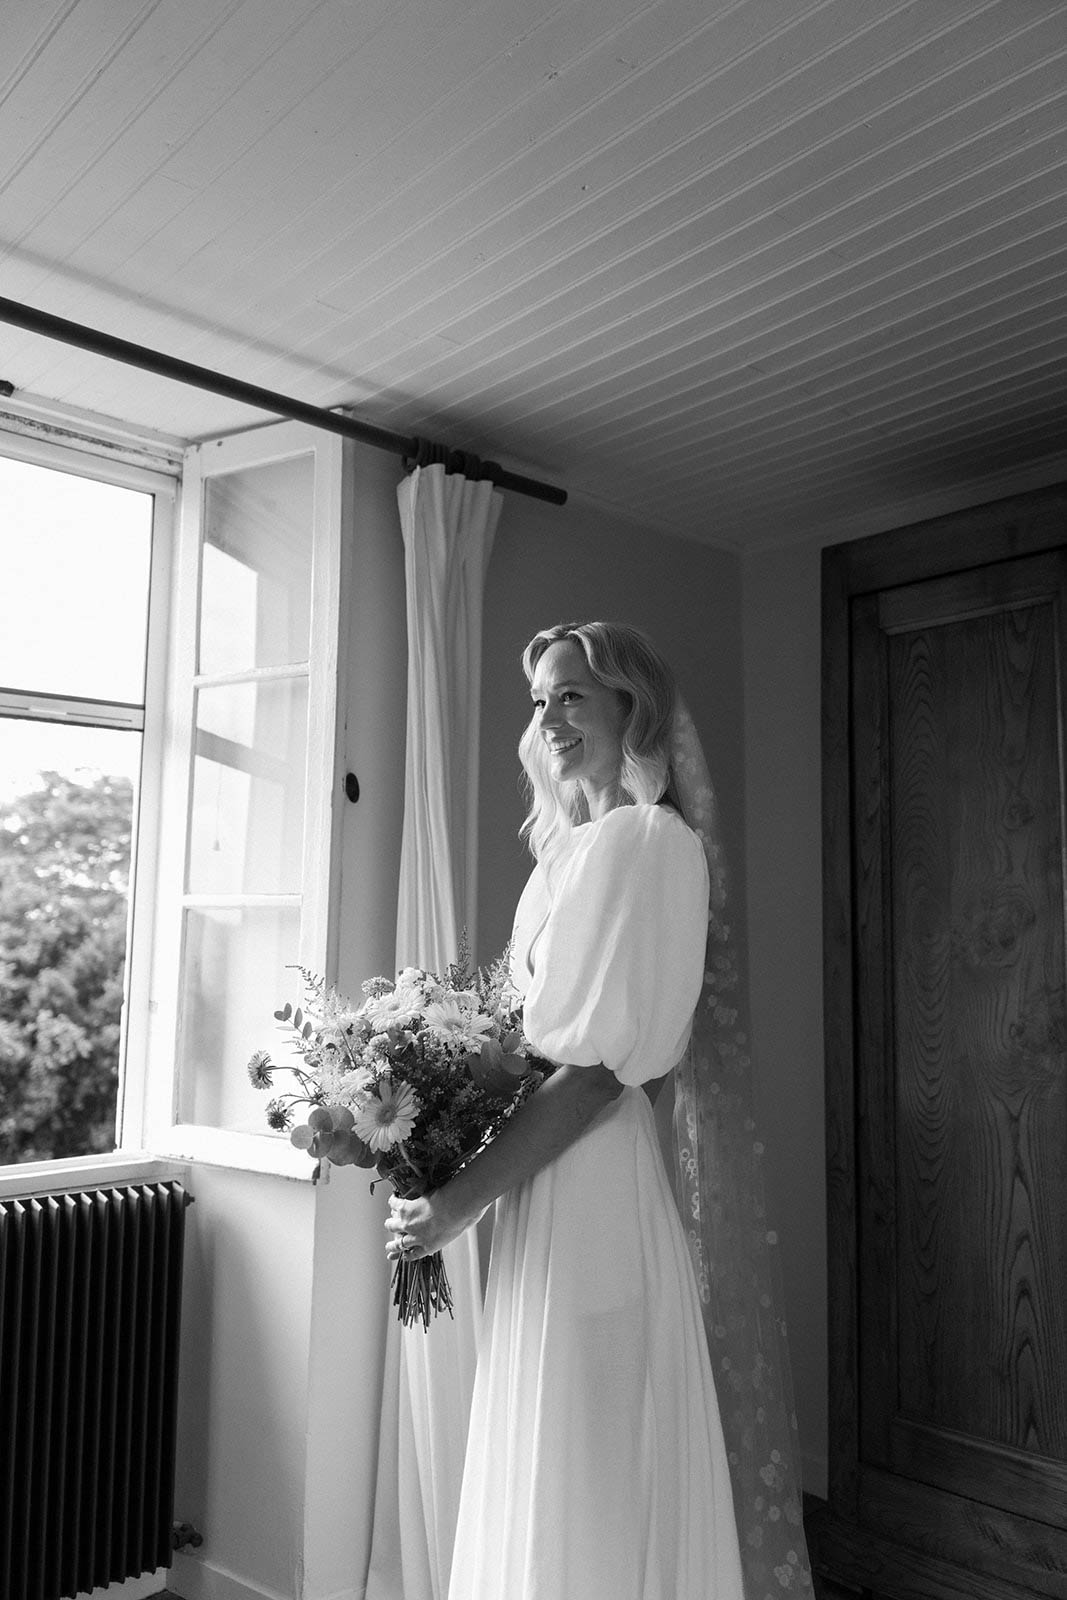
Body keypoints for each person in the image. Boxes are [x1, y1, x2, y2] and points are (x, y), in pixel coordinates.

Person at [386, 621, 807, 1600]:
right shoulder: (562, 857)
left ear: (631, 704)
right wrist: (421, 1114)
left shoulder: (651, 843)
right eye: (540, 701)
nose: (549, 718)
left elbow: (592, 1077)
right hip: (539, 1187)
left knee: (596, 1454)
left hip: (593, 1195)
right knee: (547, 1438)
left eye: (571, 694)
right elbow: (516, 1048)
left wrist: (457, 1205)